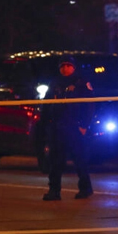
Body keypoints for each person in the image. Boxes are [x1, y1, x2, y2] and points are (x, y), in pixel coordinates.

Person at [42, 54, 95, 201]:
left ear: (74, 67)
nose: (65, 69)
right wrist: (46, 122)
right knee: (55, 160)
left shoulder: (81, 83)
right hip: (58, 126)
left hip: (75, 126)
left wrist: (84, 125)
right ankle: (54, 190)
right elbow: (46, 104)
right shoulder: (54, 83)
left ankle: (85, 188)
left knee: (80, 159)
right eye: (63, 66)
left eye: (68, 66)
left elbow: (89, 106)